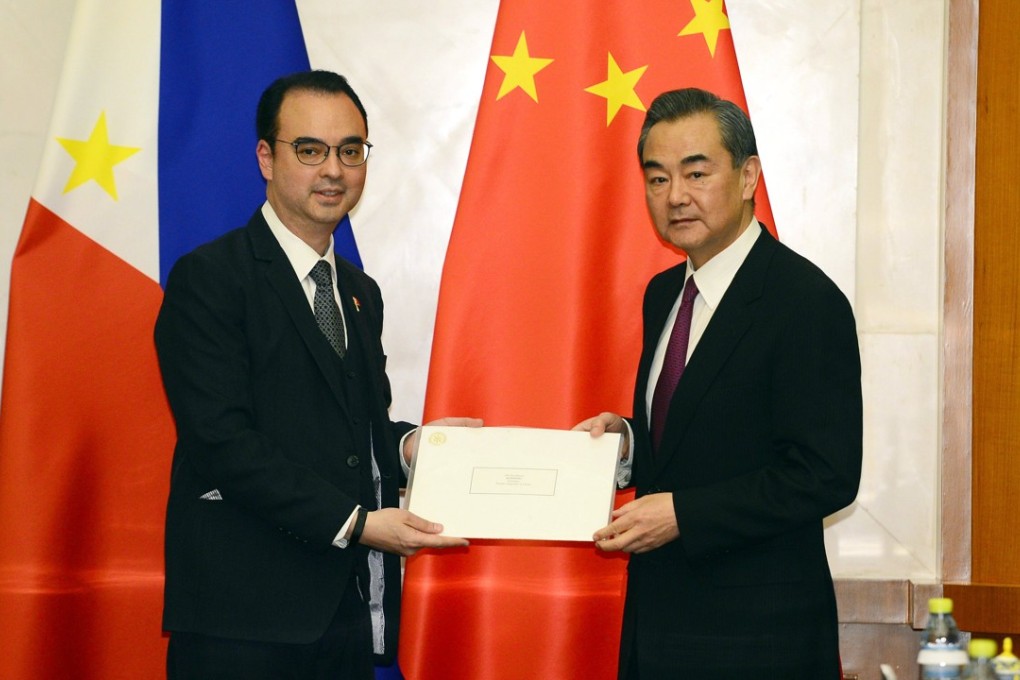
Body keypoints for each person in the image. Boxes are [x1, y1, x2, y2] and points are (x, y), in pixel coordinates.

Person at [155, 70, 477, 680]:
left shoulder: (357, 291)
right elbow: (222, 441)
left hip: (341, 613)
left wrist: (417, 447)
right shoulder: (211, 279)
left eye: (350, 150)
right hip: (242, 621)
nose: (334, 169)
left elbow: (356, 423)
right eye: (310, 150)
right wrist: (357, 524)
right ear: (266, 158)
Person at [574, 88, 862, 679]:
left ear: (749, 175)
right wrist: (628, 442)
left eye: (696, 172)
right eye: (657, 179)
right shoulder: (664, 294)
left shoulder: (804, 301)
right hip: (659, 622)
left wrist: (685, 513)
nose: (675, 195)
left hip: (760, 635)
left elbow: (824, 473)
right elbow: (701, 428)